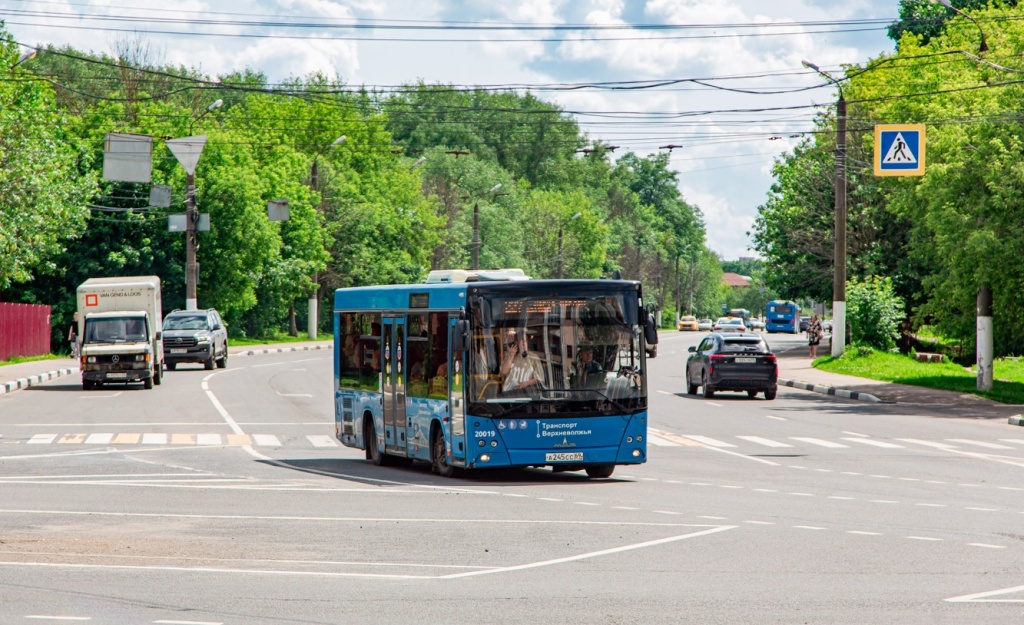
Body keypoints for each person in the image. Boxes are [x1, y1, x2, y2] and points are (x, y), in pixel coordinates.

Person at [501, 328, 545, 393]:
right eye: (522, 340)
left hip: (527, 393)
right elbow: (504, 372)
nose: (524, 343)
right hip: (509, 393)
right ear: (517, 342)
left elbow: (539, 379)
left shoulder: (534, 358)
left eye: (526, 341)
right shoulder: (511, 356)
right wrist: (511, 356)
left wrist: (527, 383)